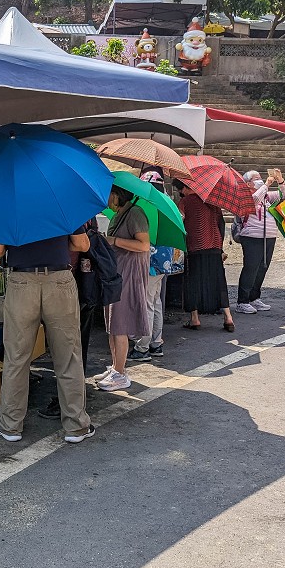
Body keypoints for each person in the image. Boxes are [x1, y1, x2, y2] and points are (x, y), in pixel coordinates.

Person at [0, 228, 96, 444]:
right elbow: (83, 245)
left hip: (22, 282)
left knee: (17, 357)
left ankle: (10, 425)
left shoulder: (10, 203)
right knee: (68, 356)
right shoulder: (60, 199)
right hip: (59, 280)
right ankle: (76, 426)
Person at [38, 217, 99, 419]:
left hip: (74, 283)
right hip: (81, 283)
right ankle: (75, 403)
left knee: (68, 351)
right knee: (73, 349)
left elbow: (82, 244)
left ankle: (71, 405)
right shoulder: (79, 208)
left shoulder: (69, 211)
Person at [94, 184, 150, 392]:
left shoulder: (135, 213)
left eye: (109, 194)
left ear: (117, 195)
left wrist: (114, 240)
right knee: (112, 321)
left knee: (120, 322)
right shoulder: (120, 214)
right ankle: (116, 367)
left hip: (129, 273)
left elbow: (144, 245)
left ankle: (121, 371)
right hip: (117, 273)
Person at [174, 179, 236, 332]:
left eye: (181, 189)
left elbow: (179, 222)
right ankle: (228, 317)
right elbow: (221, 224)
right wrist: (220, 248)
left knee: (193, 281)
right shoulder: (212, 201)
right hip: (214, 245)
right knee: (218, 280)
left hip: (195, 246)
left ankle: (195, 318)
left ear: (187, 188)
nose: (181, 192)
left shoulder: (185, 202)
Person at [127, 169, 173, 362]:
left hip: (149, 263)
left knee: (146, 304)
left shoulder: (147, 207)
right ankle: (156, 343)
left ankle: (143, 347)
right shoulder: (167, 204)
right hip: (164, 263)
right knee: (155, 303)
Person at [235, 168, 285, 314]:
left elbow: (284, 194)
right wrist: (266, 185)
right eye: (256, 178)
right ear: (247, 184)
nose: (259, 180)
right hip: (252, 237)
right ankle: (242, 301)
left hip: (269, 236)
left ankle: (254, 297)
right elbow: (253, 201)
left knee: (262, 268)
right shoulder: (244, 196)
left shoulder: (266, 196)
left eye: (260, 177)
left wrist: (280, 179)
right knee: (250, 268)